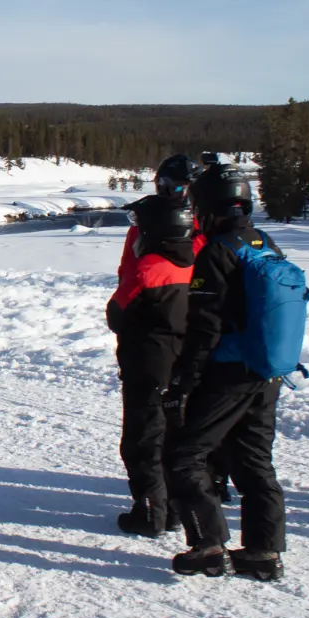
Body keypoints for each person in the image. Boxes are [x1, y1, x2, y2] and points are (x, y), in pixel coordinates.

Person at [164, 164, 296, 581]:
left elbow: (205, 327)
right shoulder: (265, 243)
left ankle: (208, 546)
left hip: (229, 373)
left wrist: (183, 381)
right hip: (266, 372)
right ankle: (263, 552)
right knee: (255, 460)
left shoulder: (218, 251)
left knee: (185, 455)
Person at [106, 193, 197, 536]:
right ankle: (172, 509)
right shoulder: (198, 262)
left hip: (147, 365)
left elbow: (117, 314)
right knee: (174, 437)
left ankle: (150, 513)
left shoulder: (148, 269)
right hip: (185, 364)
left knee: (142, 440)